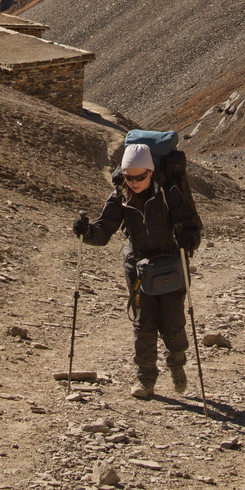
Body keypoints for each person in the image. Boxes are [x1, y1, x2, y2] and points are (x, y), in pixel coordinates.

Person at [72, 142, 201, 400]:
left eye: (140, 177)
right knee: (143, 323)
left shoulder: (169, 193)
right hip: (138, 266)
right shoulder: (120, 195)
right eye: (129, 177)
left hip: (171, 263)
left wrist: (188, 239)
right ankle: (146, 380)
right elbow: (104, 230)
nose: (133, 182)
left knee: (173, 322)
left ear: (151, 172)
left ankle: (176, 366)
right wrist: (86, 232)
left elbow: (191, 225)